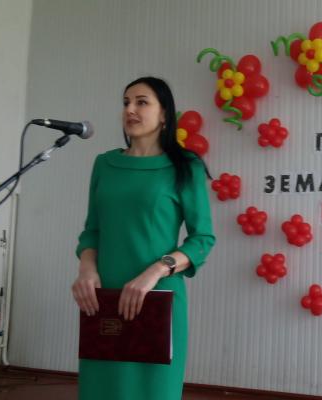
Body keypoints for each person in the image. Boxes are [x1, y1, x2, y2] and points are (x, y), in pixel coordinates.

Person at [71, 76, 215, 399]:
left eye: (141, 102)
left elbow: (202, 238)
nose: (130, 110)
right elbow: (92, 230)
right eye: (126, 103)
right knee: (101, 391)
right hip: (103, 299)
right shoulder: (105, 164)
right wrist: (86, 270)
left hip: (157, 297)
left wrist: (156, 270)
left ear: (164, 114)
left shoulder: (185, 166)